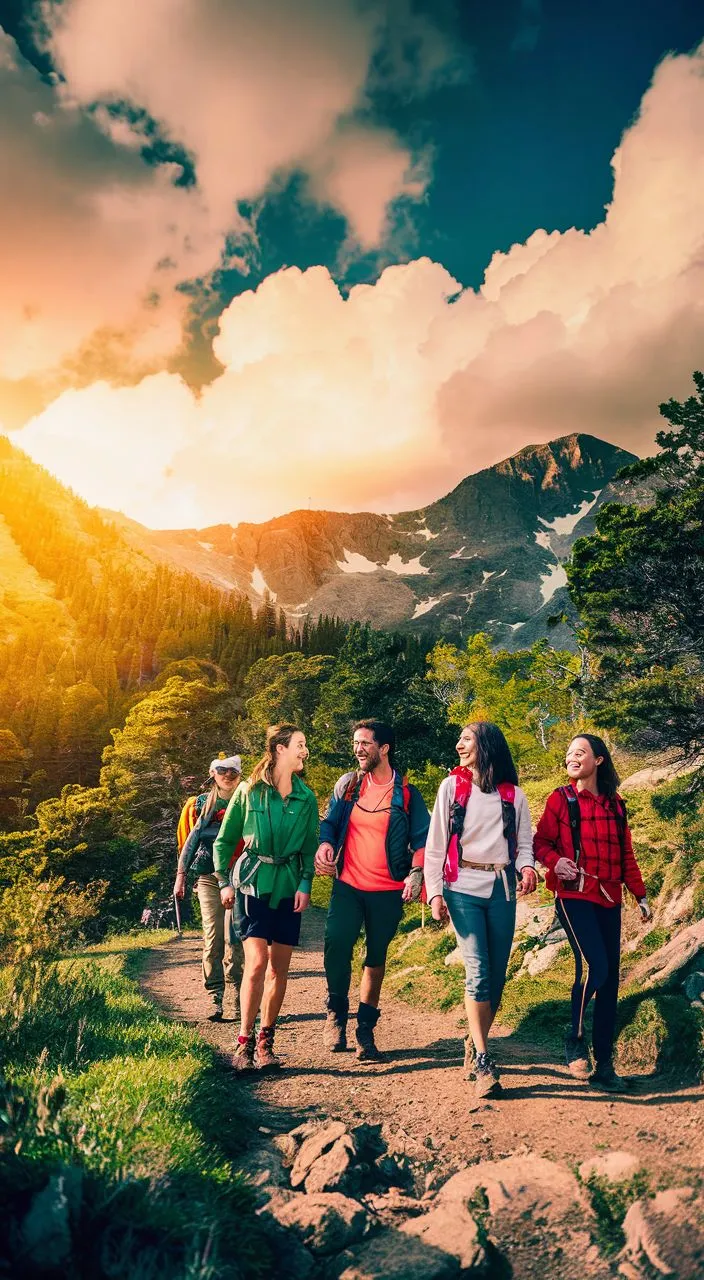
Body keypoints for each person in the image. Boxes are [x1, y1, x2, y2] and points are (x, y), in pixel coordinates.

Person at [424, 722, 537, 1098]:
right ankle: (485, 1060)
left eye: (467, 739)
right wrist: (435, 894)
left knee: (497, 977)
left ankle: (475, 1041)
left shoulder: (513, 795)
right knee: (479, 970)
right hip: (461, 887)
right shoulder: (451, 788)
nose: (459, 745)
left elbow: (524, 844)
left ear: (486, 746)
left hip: (501, 888)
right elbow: (436, 845)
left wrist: (526, 867)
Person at [534, 733, 651, 1093]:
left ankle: (605, 1064)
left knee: (611, 980)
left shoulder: (616, 805)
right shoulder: (561, 799)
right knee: (595, 967)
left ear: (598, 760)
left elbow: (625, 856)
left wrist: (641, 896)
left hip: (609, 898)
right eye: (569, 753)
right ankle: (574, 1040)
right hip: (573, 896)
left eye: (579, 752)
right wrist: (557, 862)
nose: (572, 757)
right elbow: (541, 843)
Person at [315, 719, 429, 1061]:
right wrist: (324, 845)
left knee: (375, 959)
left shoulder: (407, 793)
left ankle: (365, 1029)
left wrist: (417, 873)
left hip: (389, 890)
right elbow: (331, 823)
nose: (358, 749)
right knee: (336, 944)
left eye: (364, 743)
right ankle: (336, 1012)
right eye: (355, 743)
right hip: (348, 884)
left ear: (384, 748)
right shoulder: (349, 786)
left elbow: (422, 839)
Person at [213, 724, 318, 1072]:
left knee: (279, 967)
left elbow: (308, 848)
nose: (304, 751)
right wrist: (224, 882)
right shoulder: (249, 791)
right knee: (256, 962)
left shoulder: (306, 797)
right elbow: (224, 841)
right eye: (299, 745)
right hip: (251, 885)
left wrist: (305, 884)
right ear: (278, 750)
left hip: (288, 887)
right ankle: (243, 1041)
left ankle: (266, 1042)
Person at [173, 756, 244, 1022]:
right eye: (222, 770)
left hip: (240, 877)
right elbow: (190, 843)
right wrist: (181, 876)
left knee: (235, 938)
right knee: (213, 937)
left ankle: (238, 997)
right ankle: (216, 997)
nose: (228, 775)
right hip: (208, 877)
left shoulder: (248, 799)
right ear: (213, 773)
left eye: (233, 771)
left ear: (239, 774)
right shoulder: (201, 804)